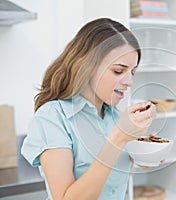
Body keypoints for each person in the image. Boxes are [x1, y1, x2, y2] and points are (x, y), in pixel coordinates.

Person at [21, 18, 156, 200]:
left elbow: (110, 178)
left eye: (132, 72)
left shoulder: (114, 116)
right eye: (118, 71)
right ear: (88, 66)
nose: (129, 82)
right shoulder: (52, 117)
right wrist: (119, 138)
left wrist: (143, 152)